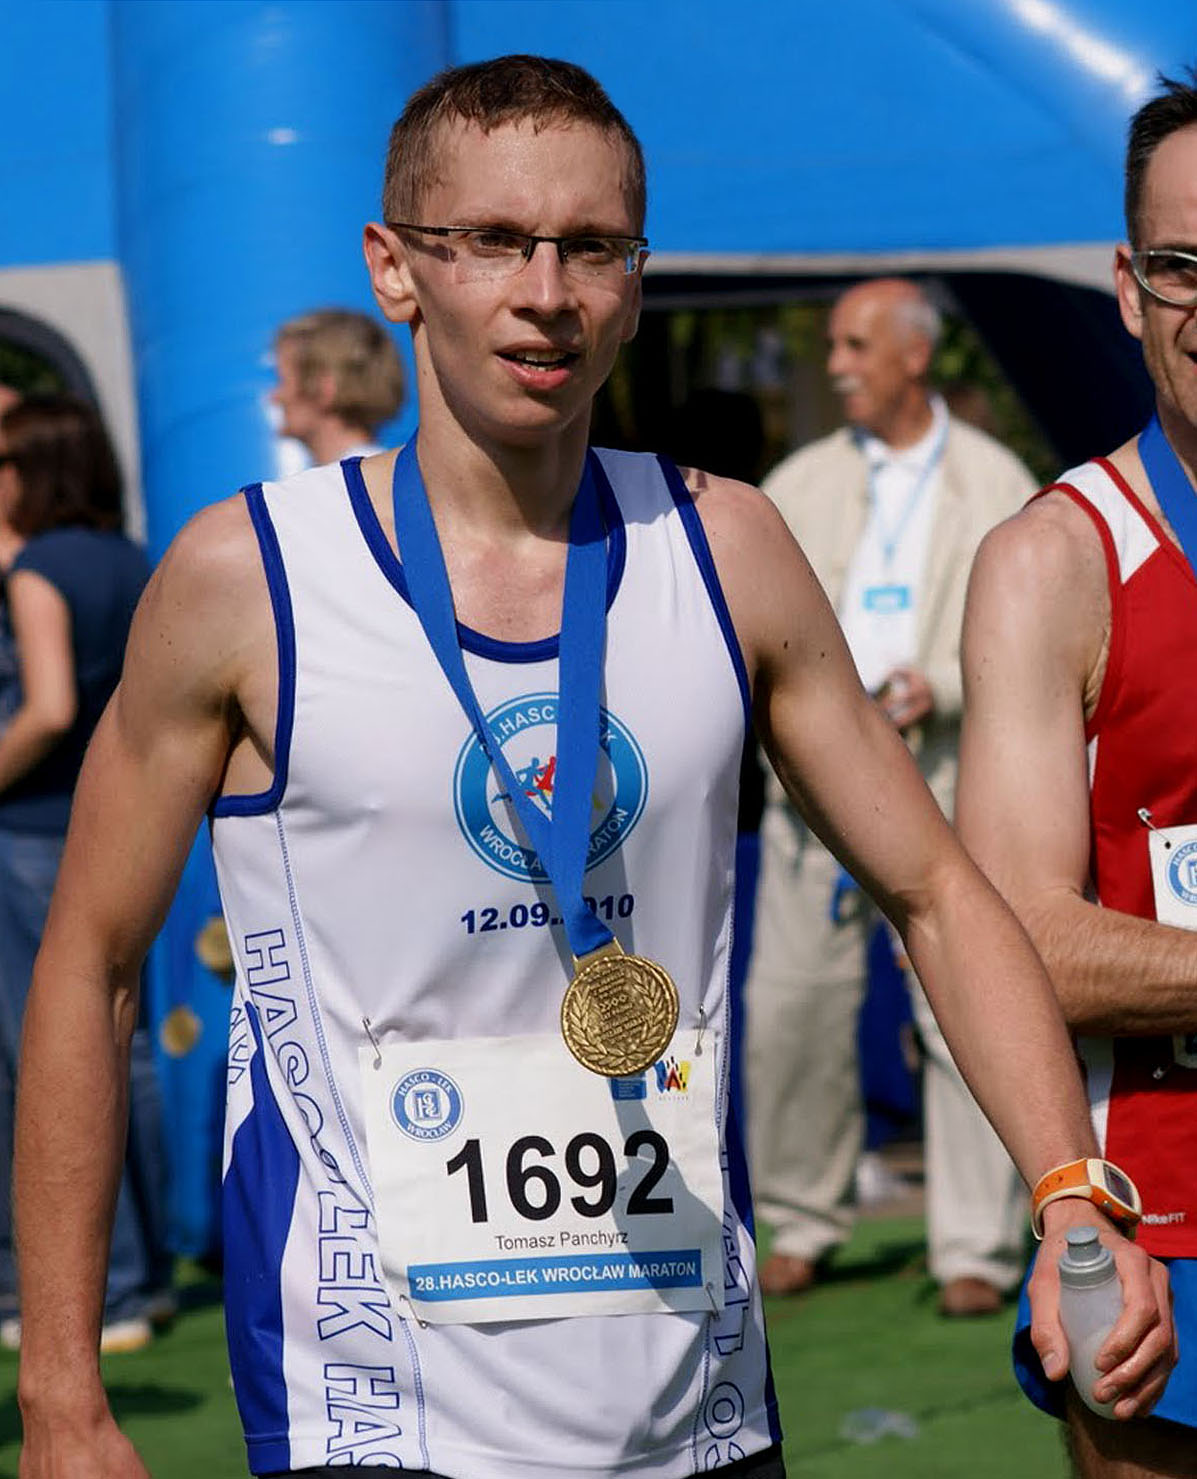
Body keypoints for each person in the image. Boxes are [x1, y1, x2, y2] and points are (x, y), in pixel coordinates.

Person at [13, 54, 1174, 1479]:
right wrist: (62, 1395)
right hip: (370, 1407)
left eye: (593, 247)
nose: (546, 291)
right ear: (395, 268)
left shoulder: (725, 545)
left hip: (692, 1403)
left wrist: (1068, 1190)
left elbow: (936, 890)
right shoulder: (246, 578)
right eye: (492, 240)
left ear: (636, 278)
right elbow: (91, 960)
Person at [957, 68, 1197, 1477]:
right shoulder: (1055, 560)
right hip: (1162, 1220)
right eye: (1182, 267)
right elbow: (1019, 939)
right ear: (1127, 286)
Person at [744, 279, 1034, 1314]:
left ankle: (976, 1247)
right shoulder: (795, 483)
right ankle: (799, 1221)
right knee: (789, 1008)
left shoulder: (994, 479)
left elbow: (1030, 642)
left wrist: (940, 686)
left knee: (965, 1008)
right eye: (831, 344)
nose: (835, 366)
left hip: (951, 779)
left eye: (854, 345)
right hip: (813, 789)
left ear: (915, 355)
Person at [0, 394, 171, 1356]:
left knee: (49, 1055)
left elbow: (49, 706)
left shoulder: (37, 569)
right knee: (125, 1048)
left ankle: (111, 1289)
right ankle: (149, 1273)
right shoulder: (130, 558)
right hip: (123, 821)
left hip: (31, 830)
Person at [272, 307, 406, 464]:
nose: (274, 397)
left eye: (283, 380)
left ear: (323, 388)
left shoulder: (346, 477)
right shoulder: (385, 471)